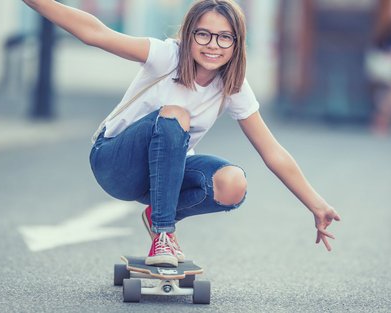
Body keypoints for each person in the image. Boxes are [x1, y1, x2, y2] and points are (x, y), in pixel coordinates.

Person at [23, 0, 341, 267]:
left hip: (163, 177)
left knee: (233, 183)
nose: (213, 45)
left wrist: (315, 204)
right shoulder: (166, 56)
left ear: (236, 43)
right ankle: (164, 234)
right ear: (189, 35)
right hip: (114, 162)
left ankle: (157, 215)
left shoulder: (233, 87)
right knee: (177, 114)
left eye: (224, 37)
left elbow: (272, 151)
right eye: (203, 34)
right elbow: (95, 33)